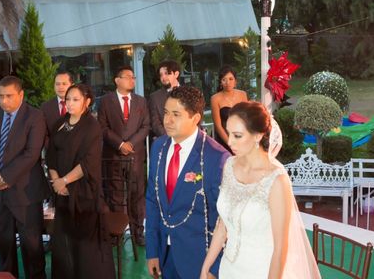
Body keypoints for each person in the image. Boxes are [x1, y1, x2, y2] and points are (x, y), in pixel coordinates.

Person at [200, 102, 320, 279]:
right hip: (229, 270)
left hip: (262, 271)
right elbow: (222, 226)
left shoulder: (276, 180)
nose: (229, 141)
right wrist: (206, 267)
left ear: (258, 136)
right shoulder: (229, 165)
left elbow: (281, 248)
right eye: (228, 133)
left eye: (237, 135)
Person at [146, 86, 230, 279]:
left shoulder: (216, 157)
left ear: (195, 118)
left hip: (199, 260)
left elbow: (224, 219)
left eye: (176, 114)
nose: (167, 120)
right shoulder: (159, 147)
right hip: (164, 255)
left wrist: (214, 268)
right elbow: (152, 200)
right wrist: (152, 250)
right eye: (166, 113)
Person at [0, 75, 47, 279]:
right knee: (4, 246)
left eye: (9, 96)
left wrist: (4, 177)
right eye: (0, 96)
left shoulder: (35, 117)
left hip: (25, 193)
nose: (4, 101)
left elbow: (32, 154)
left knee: (32, 246)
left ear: (21, 95)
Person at [47, 84, 115, 279]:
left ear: (87, 102)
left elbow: (88, 162)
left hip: (84, 195)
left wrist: (65, 181)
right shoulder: (59, 123)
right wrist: (56, 182)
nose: (70, 103)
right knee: (62, 245)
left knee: (85, 250)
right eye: (68, 99)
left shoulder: (92, 127)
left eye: (75, 99)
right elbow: (50, 155)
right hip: (61, 193)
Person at [98, 65, 150, 245]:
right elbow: (102, 127)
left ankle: (138, 233)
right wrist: (119, 144)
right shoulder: (105, 101)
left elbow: (146, 126)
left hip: (135, 155)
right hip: (113, 156)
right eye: (128, 77)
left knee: (137, 195)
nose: (132, 80)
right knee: (115, 196)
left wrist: (130, 144)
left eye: (133, 77)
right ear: (117, 80)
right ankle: (116, 233)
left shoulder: (141, 101)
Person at [210, 66, 248, 150]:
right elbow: (218, 126)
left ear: (235, 81)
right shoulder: (215, 99)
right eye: (224, 79)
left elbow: (247, 119)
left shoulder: (242, 95)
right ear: (220, 82)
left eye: (231, 79)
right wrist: (231, 144)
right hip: (224, 140)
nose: (228, 82)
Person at [148, 60, 181, 138]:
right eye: (161, 75)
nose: (163, 77)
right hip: (166, 140)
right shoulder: (155, 97)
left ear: (176, 74)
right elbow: (155, 123)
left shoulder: (189, 93)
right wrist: (169, 138)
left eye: (166, 73)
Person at [41, 71, 74, 137]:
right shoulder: (45, 107)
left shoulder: (79, 105)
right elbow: (43, 134)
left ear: (72, 86)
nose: (60, 87)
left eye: (64, 84)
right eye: (57, 84)